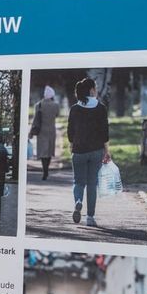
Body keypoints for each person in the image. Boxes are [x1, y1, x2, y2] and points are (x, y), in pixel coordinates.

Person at [67, 77, 111, 227]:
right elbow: (105, 132)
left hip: (78, 151)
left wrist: (71, 145)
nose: (97, 90)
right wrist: (107, 151)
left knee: (78, 182)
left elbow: (70, 132)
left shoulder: (74, 108)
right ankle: (90, 217)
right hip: (96, 151)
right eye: (96, 87)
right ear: (92, 90)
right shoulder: (101, 108)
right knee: (92, 184)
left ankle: (78, 201)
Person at [32, 86, 61, 180]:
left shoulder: (38, 105)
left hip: (41, 131)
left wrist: (31, 131)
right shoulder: (55, 105)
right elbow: (57, 114)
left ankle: (45, 171)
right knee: (49, 151)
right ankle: (46, 170)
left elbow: (35, 119)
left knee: (43, 152)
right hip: (51, 131)